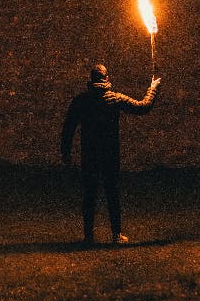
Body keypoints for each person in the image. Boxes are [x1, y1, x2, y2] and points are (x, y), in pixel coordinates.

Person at [60, 63, 162, 247]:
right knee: (112, 193)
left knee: (89, 194)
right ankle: (116, 235)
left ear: (91, 80)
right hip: (110, 154)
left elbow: (68, 128)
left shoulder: (81, 101)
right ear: (106, 79)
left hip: (89, 154)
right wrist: (153, 88)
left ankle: (88, 237)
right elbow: (143, 107)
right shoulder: (115, 99)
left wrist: (65, 153)